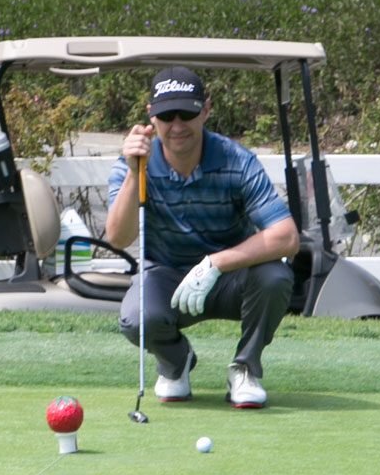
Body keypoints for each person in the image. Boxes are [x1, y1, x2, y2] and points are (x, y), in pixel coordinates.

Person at [105, 65, 300, 409]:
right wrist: (136, 173)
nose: (177, 125)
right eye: (167, 116)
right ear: (151, 116)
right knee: (137, 320)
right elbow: (118, 239)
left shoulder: (237, 160)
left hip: (230, 278)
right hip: (166, 275)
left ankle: (245, 369)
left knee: (275, 276)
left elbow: (286, 238)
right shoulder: (133, 164)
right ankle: (176, 362)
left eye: (187, 113)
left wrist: (215, 263)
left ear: (206, 110)